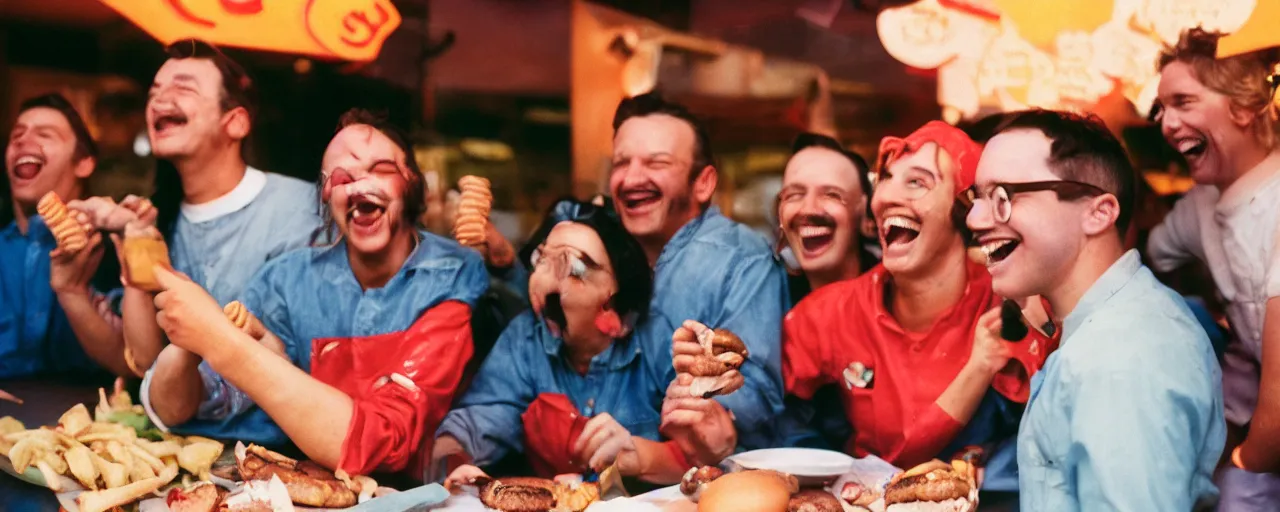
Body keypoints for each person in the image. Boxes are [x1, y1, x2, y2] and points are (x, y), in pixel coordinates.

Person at [664, 122, 1054, 490]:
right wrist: (714, 393)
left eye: (917, 182)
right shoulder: (830, 310)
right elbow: (764, 402)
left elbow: (1048, 444)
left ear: (965, 209)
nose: (886, 196)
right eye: (885, 179)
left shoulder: (1010, 304)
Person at [147, 110, 488, 476]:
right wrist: (189, 343)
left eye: (381, 169)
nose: (358, 186)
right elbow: (178, 408)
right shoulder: (287, 279)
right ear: (327, 195)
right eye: (342, 178)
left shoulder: (452, 273)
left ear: (412, 182)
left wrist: (220, 341)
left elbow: (383, 445)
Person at [967, 109, 1224, 510]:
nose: (975, 218)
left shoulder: (1121, 357)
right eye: (976, 198)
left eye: (1003, 197)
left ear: (1098, 212)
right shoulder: (1115, 322)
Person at [129, 39, 321, 443]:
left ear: (235, 122)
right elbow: (145, 360)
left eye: (183, 88)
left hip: (280, 456)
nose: (160, 99)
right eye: (154, 92)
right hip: (174, 451)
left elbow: (294, 357)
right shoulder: (158, 219)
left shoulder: (299, 210)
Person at [435, 197, 692, 484]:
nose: (541, 276)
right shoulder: (527, 338)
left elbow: (708, 455)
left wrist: (645, 457)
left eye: (571, 266)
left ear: (613, 302)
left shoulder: (661, 342)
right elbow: (478, 420)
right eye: (542, 258)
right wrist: (455, 465)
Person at [597, 92, 788, 460]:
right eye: (622, 163)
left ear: (703, 182)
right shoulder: (600, 252)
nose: (632, 177)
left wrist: (708, 410)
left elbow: (757, 389)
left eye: (657, 162)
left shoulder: (741, 259)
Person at [1145, 29, 1280, 508]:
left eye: (1183, 101)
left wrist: (1246, 466)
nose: (1166, 123)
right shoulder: (1199, 206)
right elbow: (1152, 259)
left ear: (1244, 105)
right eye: (1161, 108)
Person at [0, 93, 129, 378]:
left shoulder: (112, 251)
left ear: (84, 163)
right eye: (17, 134)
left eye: (45, 134)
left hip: (88, 419)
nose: (23, 140)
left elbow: (132, 363)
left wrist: (73, 292)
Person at [775, 132, 876, 303]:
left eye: (831, 195)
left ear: (866, 214)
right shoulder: (771, 303)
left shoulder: (897, 300)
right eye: (794, 195)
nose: (809, 209)